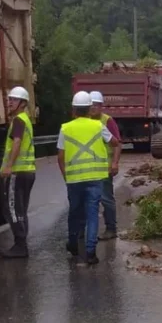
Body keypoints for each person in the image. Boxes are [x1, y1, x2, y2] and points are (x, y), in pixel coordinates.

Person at [58, 92, 113, 265]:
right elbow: (114, 142)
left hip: (74, 179)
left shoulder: (65, 128)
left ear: (73, 109)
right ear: (90, 109)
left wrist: (66, 176)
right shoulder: (98, 126)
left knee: (74, 212)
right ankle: (90, 253)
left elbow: (60, 156)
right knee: (92, 214)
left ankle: (73, 245)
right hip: (95, 178)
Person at [0, 86, 36, 259]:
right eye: (9, 99)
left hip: (18, 172)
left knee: (13, 209)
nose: (9, 103)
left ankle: (20, 245)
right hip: (26, 172)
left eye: (13, 100)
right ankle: (21, 244)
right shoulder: (25, 119)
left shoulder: (19, 121)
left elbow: (17, 142)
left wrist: (8, 166)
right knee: (21, 209)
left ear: (22, 103)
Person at [88, 91, 122, 241]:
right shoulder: (84, 121)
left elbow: (117, 144)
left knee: (106, 199)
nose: (94, 108)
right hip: (88, 169)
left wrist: (114, 163)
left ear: (101, 106)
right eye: (91, 105)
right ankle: (86, 231)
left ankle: (111, 229)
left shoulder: (107, 121)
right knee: (88, 200)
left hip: (104, 168)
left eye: (96, 105)